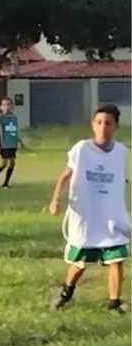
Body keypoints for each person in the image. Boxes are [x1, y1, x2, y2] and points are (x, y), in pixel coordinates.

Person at [48, 103, 128, 313]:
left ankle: (114, 303)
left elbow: (119, 177)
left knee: (116, 259)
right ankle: (66, 292)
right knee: (80, 262)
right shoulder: (82, 149)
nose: (103, 127)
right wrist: (55, 199)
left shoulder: (120, 152)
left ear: (116, 127)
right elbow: (66, 174)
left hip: (110, 217)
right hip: (87, 216)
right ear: (93, 125)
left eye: (108, 123)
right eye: (99, 122)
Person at [0, 96, 24, 188]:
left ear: (12, 106)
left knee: (12, 162)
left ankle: (5, 183)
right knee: (4, 163)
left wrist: (19, 141)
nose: (6, 107)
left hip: (12, 143)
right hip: (4, 144)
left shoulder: (14, 118)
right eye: (4, 105)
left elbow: (15, 131)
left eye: (8, 105)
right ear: (1, 107)